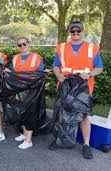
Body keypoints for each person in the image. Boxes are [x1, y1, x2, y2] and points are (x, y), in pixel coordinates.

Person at [49, 21, 103, 159]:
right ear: (69, 32)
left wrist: (90, 74)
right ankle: (59, 139)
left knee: (83, 116)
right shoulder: (61, 48)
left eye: (78, 31)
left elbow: (99, 68)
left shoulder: (92, 48)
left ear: (82, 32)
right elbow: (55, 65)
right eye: (73, 31)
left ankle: (86, 145)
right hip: (65, 85)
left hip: (83, 88)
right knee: (62, 114)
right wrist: (58, 74)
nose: (75, 33)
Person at [10, 37, 44, 149]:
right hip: (19, 90)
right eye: (19, 45)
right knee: (22, 113)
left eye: (24, 44)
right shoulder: (15, 58)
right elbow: (12, 72)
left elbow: (39, 75)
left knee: (29, 113)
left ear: (29, 43)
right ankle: (24, 135)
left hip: (32, 91)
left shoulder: (37, 58)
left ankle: (29, 140)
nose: (22, 47)